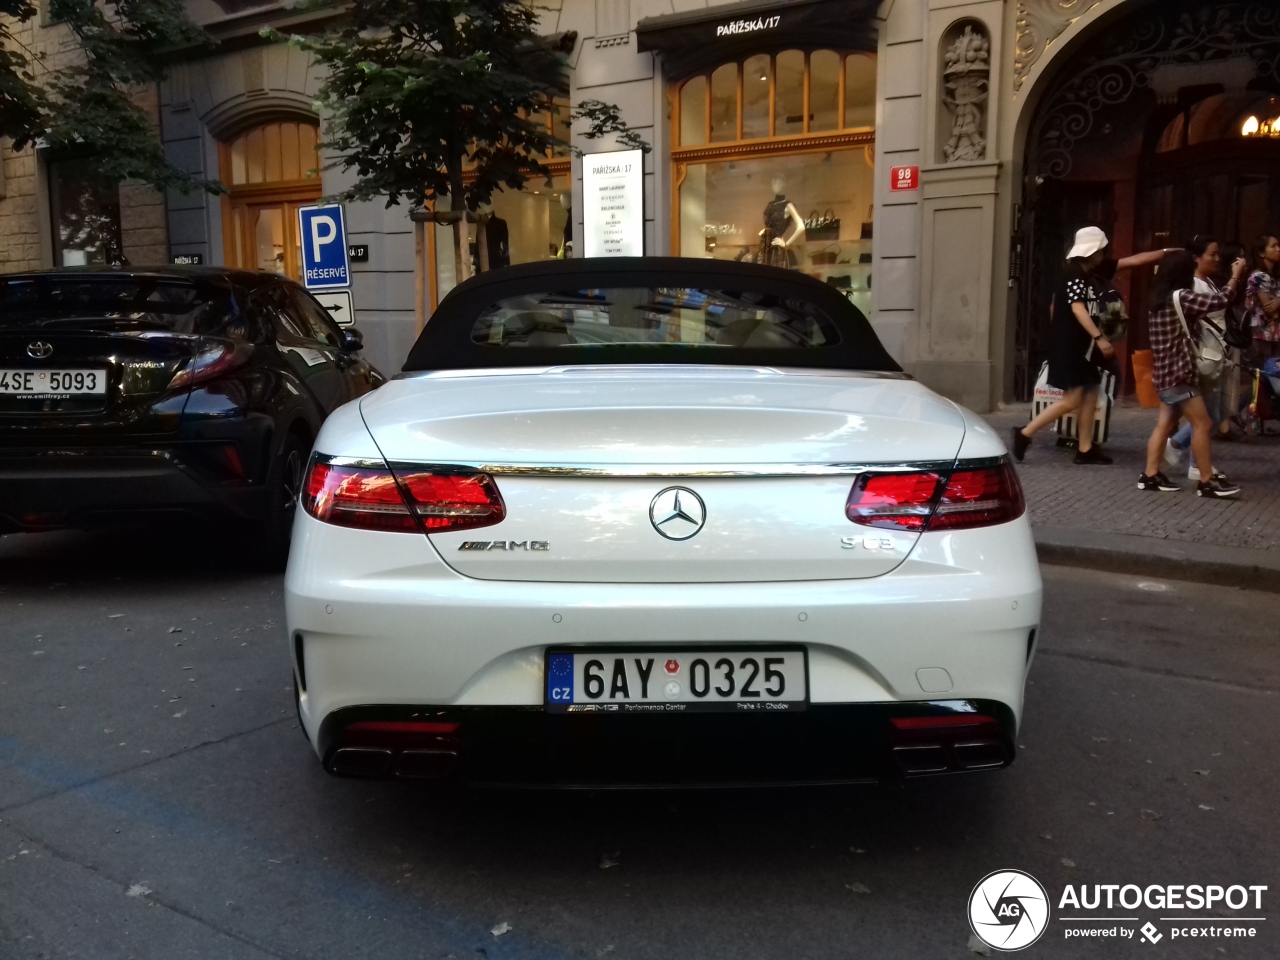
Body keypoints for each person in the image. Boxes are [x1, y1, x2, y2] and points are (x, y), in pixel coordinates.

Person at [1012, 226, 1170, 464]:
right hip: (1071, 346)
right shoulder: (1073, 274)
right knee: (1074, 398)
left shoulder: (1087, 271)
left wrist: (1167, 251)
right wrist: (1099, 337)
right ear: (1095, 251)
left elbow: (1135, 261)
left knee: (1091, 392)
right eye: (1102, 249)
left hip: (1081, 346)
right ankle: (1024, 433)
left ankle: (1085, 449)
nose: (1105, 254)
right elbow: (1077, 308)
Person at [1139, 250, 1246, 498]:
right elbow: (1219, 301)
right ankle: (1206, 481)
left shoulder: (1158, 298)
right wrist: (1235, 276)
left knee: (1164, 424)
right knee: (1203, 423)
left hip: (1165, 373)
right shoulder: (1182, 296)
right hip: (1179, 374)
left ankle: (1150, 475)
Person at [1163, 236, 1233, 478]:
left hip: (1214, 353)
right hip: (1202, 356)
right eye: (1212, 254)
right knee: (1207, 415)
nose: (1217, 258)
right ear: (1196, 258)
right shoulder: (1193, 286)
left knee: (1213, 413)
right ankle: (1191, 460)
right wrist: (1235, 277)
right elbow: (1220, 302)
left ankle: (1186, 455)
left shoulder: (1208, 281)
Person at [1245, 234, 1280, 365]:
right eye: (1273, 246)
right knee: (1263, 376)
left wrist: (1278, 301)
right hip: (1261, 334)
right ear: (1261, 253)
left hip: (1274, 334)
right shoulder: (1259, 276)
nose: (1278, 249)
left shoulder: (1274, 276)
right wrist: (1276, 302)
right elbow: (1271, 310)